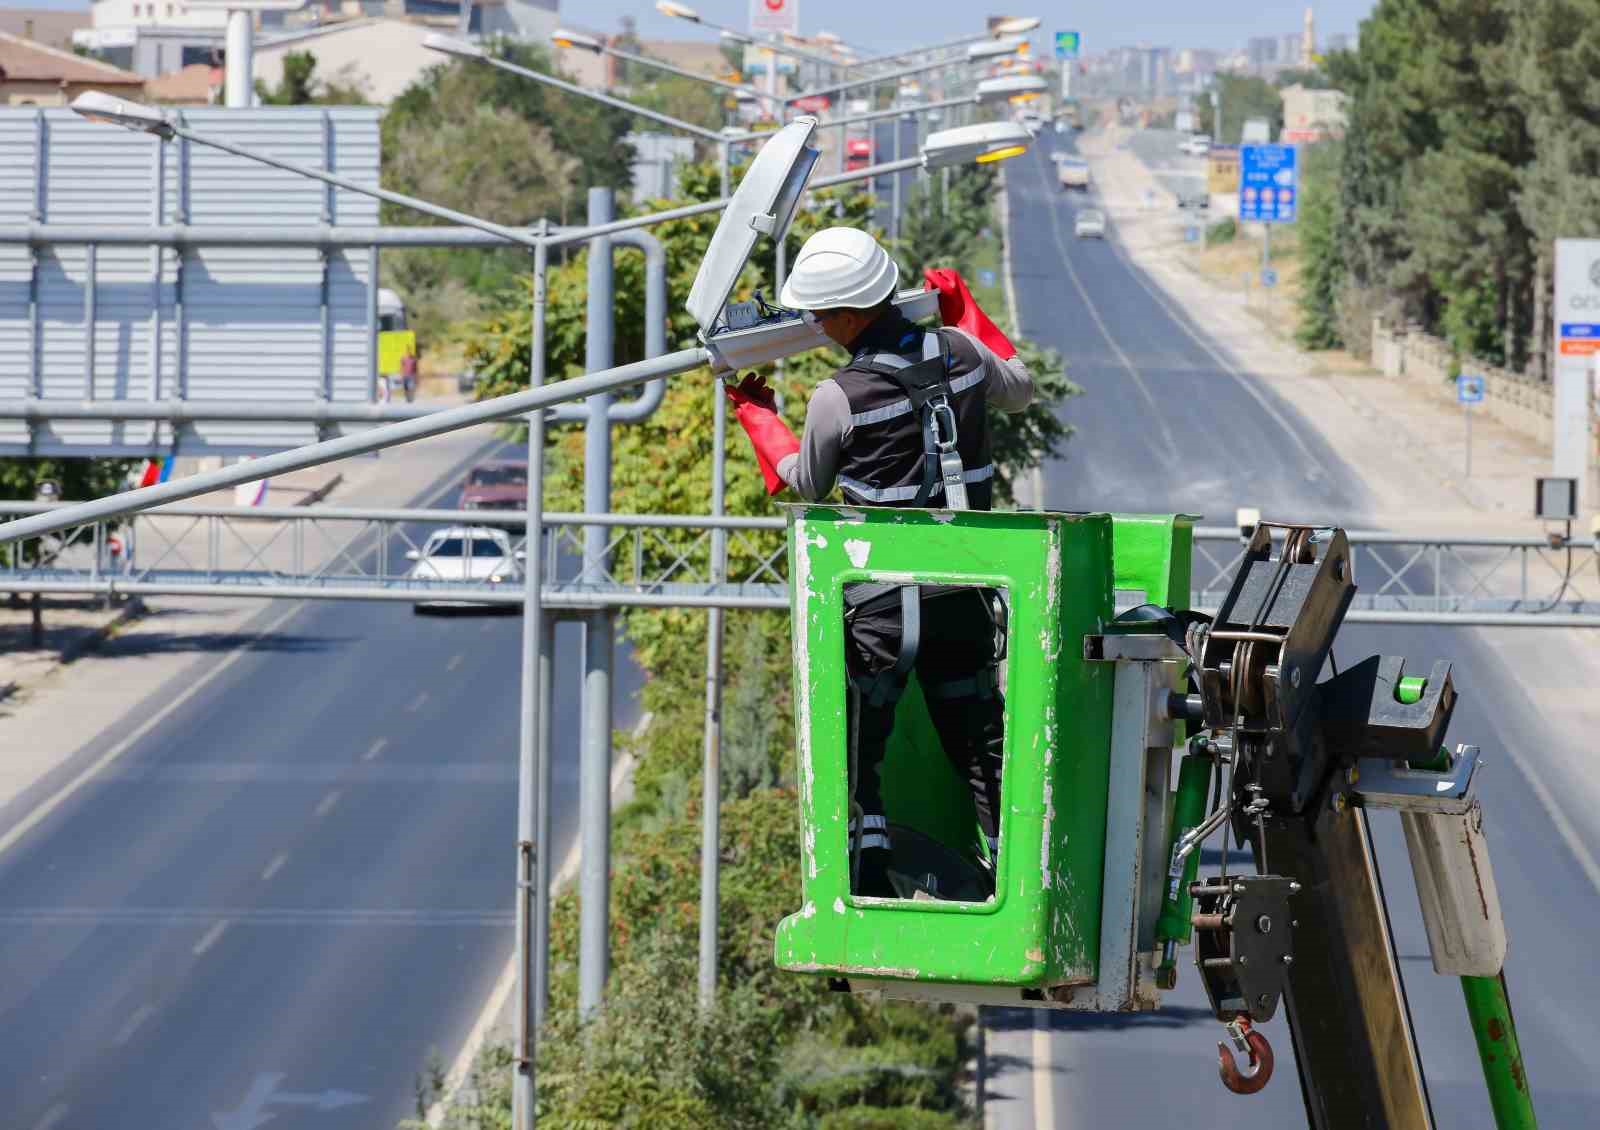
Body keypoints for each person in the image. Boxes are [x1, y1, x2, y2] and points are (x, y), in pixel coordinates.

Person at [726, 227, 1034, 898]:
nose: (815, 324)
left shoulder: (838, 396)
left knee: (859, 750)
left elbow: (806, 484)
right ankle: (1016, 880)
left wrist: (758, 416)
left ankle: (866, 888)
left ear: (848, 315)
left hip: (881, 614)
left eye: (820, 314)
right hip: (961, 597)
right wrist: (967, 315)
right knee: (980, 744)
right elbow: (1020, 389)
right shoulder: (963, 351)